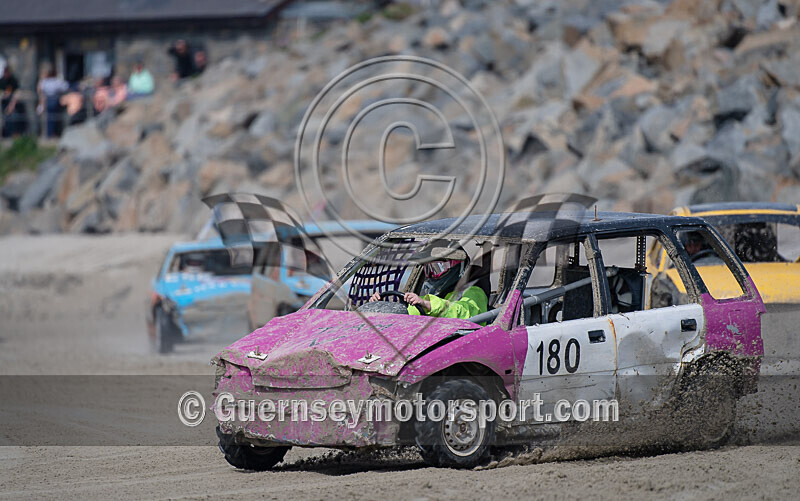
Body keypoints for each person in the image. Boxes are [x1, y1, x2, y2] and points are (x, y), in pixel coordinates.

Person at [369, 247, 489, 319]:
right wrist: (382, 307)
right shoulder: (428, 298)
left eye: (438, 268)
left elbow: (465, 313)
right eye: (429, 269)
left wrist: (428, 304)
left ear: (458, 268)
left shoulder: (473, 291)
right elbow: (407, 313)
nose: (432, 275)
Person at [37, 68, 68, 137]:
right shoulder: (57, 81)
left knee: (50, 118)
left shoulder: (44, 82)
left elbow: (39, 89)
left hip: (48, 101)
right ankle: (54, 133)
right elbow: (65, 87)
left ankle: (50, 134)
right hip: (54, 100)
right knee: (55, 118)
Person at [1, 66, 24, 137]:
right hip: (3, 103)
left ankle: (14, 134)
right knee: (4, 119)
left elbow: (17, 92)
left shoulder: (13, 80)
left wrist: (11, 105)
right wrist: (4, 94)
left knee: (13, 118)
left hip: (13, 104)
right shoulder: (1, 81)